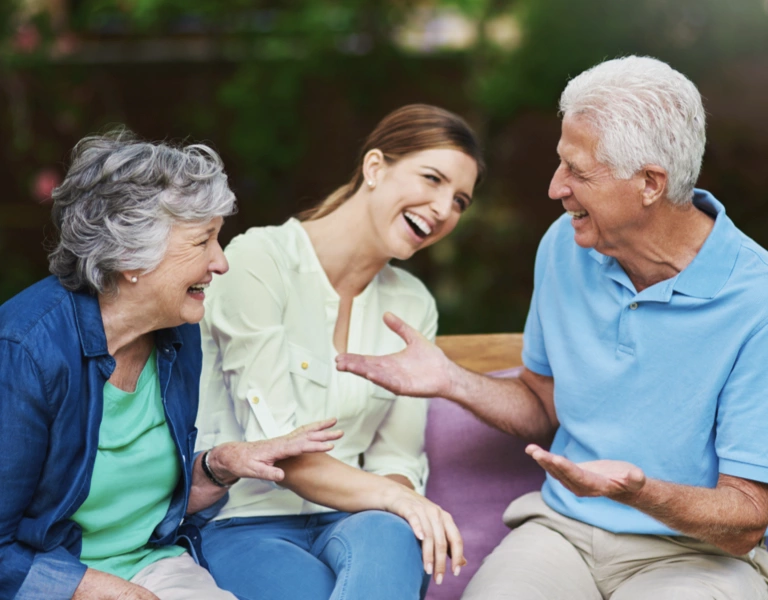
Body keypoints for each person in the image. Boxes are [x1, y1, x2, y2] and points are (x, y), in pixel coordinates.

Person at [336, 57, 768, 599]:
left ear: (651, 184)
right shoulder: (567, 245)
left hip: (694, 555)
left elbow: (748, 517)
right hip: (563, 532)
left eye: (578, 171)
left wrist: (639, 492)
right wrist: (450, 379)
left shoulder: (756, 300)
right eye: (560, 163)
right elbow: (545, 407)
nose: (554, 187)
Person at [0, 129, 341, 600]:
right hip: (56, 583)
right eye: (203, 241)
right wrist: (107, 592)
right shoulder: (26, 351)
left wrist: (219, 466)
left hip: (153, 568)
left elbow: (152, 507)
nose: (221, 263)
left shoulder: (177, 334)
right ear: (128, 255)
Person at [195, 103, 484, 600]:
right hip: (244, 521)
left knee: (394, 535)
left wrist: (398, 504)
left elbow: (396, 455)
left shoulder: (413, 303)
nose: (442, 209)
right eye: (432, 179)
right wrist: (405, 502)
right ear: (375, 167)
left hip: (361, 519)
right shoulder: (259, 261)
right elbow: (279, 452)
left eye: (459, 200)